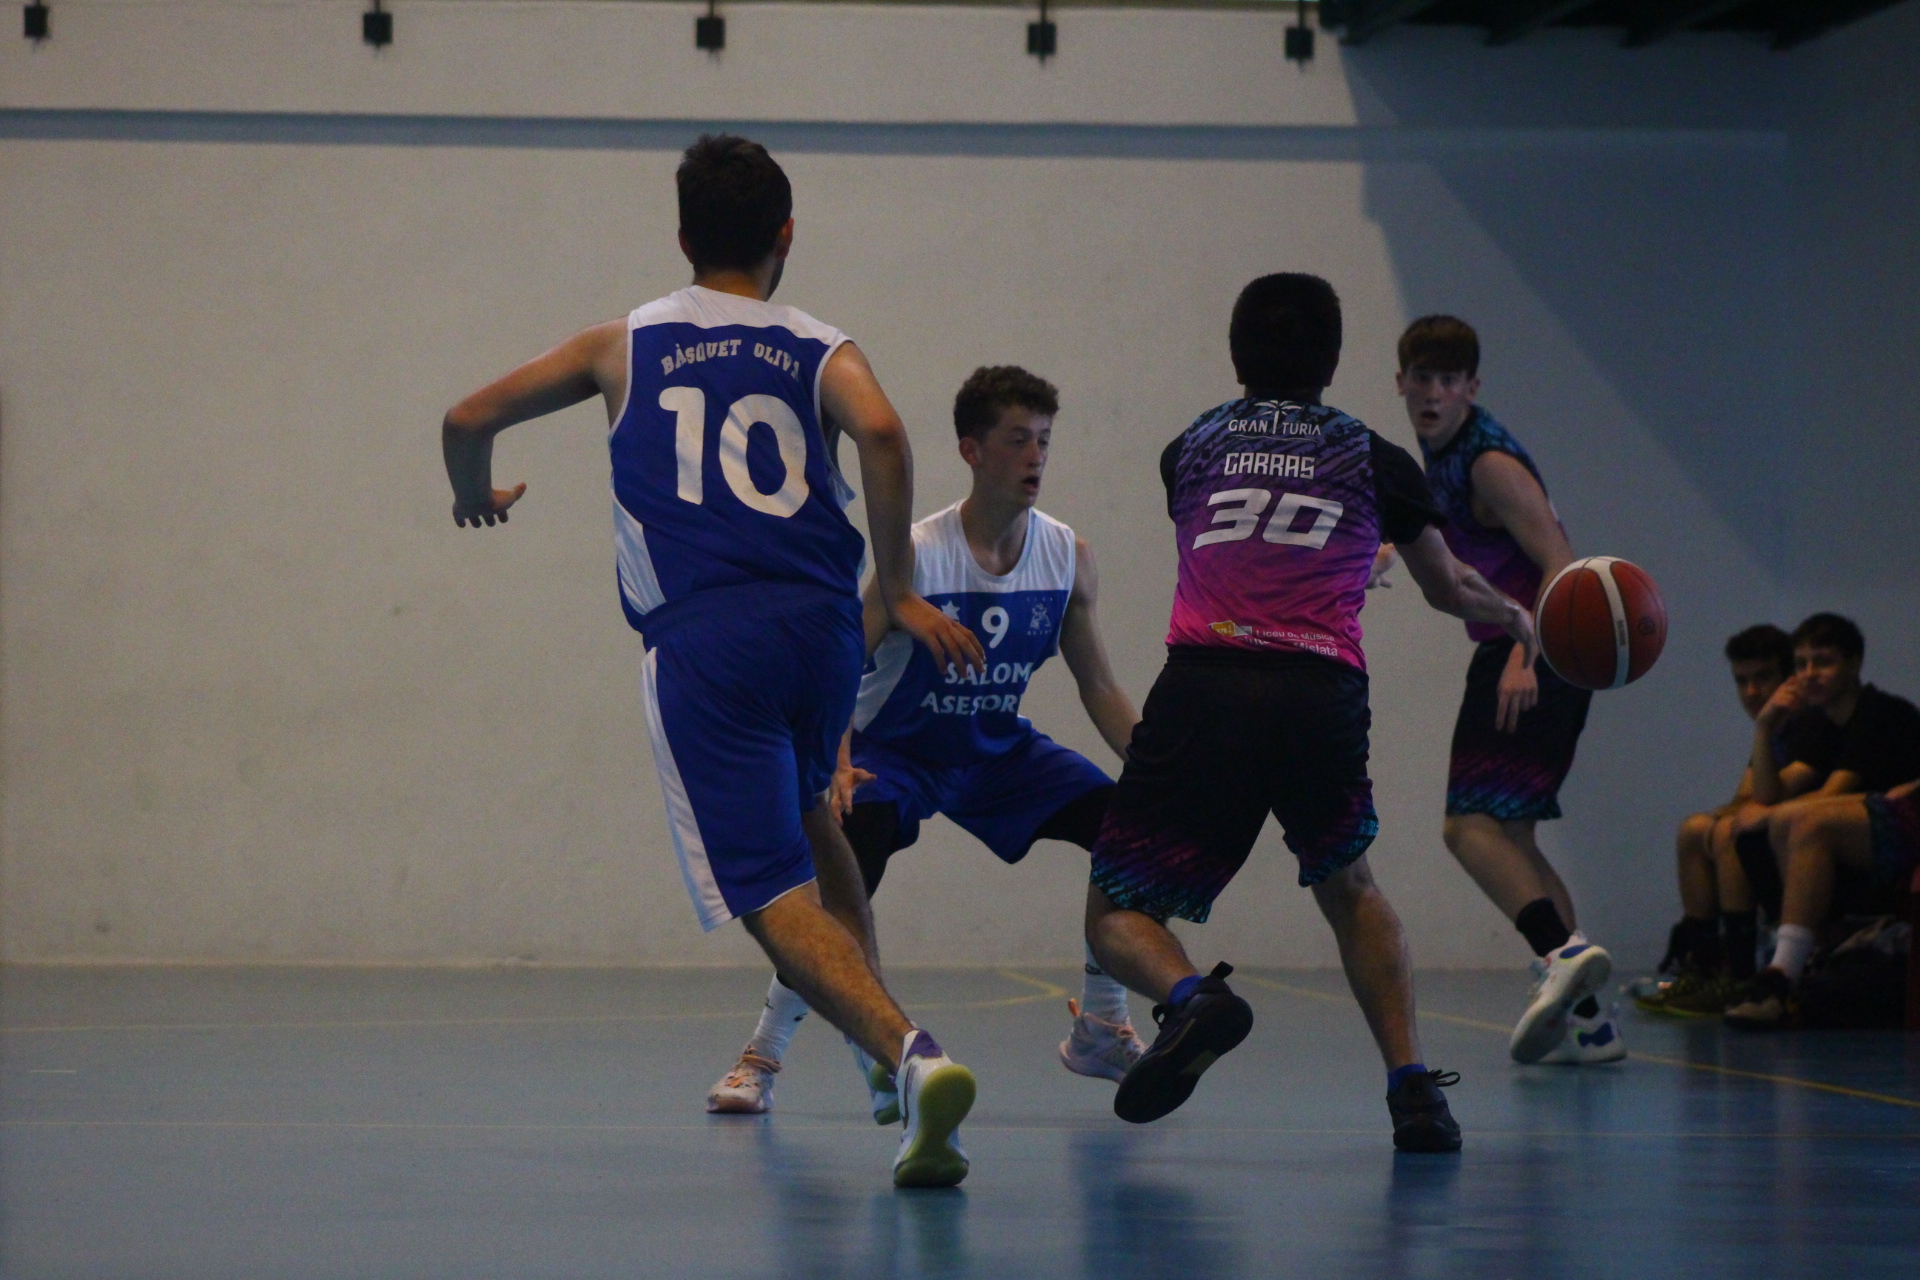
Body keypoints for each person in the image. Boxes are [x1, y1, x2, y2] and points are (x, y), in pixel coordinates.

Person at [438, 135, 986, 1188]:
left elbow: (468, 417)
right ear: (787, 235)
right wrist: (901, 585)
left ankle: (912, 1055)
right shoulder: (821, 346)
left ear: (683, 237)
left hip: (709, 639)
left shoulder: (624, 343)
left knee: (770, 894)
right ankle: (883, 1068)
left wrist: (475, 491)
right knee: (817, 816)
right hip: (822, 628)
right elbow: (881, 432)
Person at [1082, 274, 1539, 1153]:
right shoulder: (1377, 458)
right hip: (1318, 695)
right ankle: (1413, 1092)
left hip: (1206, 685)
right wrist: (1516, 617)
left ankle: (1193, 999)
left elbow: (1237, 535)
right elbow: (1449, 587)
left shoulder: (1189, 448)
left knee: (1114, 915)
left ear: (1235, 353)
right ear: (1333, 360)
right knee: (1351, 888)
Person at [706, 366, 1145, 1120]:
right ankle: (760, 1058)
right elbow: (837, 668)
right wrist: (838, 761)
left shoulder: (1066, 554)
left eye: (1044, 441)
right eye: (1018, 440)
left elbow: (1098, 684)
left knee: (1129, 828)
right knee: (849, 871)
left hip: (996, 751)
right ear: (972, 450)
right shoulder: (913, 555)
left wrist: (1153, 765)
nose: (1036, 456)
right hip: (897, 753)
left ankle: (1103, 1025)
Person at [1382, 315, 1620, 1066]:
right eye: (1422, 378)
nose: (1433, 393)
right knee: (1511, 836)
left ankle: (1558, 955)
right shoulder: (1439, 455)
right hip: (1535, 650)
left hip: (1537, 650)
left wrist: (1525, 651)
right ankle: (1591, 1023)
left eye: (1448, 381)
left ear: (1471, 388)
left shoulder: (1486, 461)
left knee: (1468, 828)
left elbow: (1562, 561)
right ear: (1401, 382)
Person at [1718, 614, 1920, 1027]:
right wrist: (1764, 727)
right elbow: (1768, 793)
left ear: (1854, 663)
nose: (1810, 673)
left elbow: (1835, 794)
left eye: (1823, 661)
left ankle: (1783, 975)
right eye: (1801, 663)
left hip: (1906, 819)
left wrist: (1768, 814)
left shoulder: (1879, 712)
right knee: (1754, 830)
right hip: (1868, 824)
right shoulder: (1818, 720)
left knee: (1803, 824)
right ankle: (1778, 959)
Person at [1635, 624, 1794, 1017]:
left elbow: (1768, 797)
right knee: (1694, 829)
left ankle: (1738, 975)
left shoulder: (1804, 724)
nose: (1751, 691)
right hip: (1773, 838)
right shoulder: (1773, 728)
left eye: (1763, 678)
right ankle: (1703, 966)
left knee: (1726, 831)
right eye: (1742, 681)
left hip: (1799, 847)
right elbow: (1746, 795)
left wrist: (1762, 728)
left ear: (1788, 678)